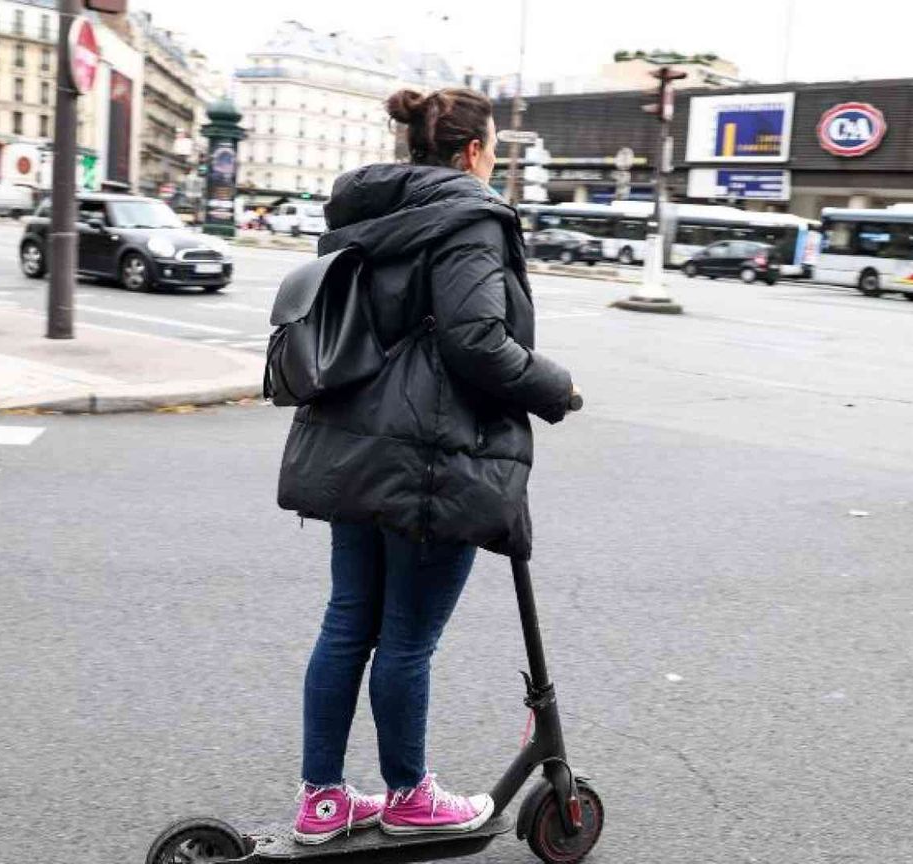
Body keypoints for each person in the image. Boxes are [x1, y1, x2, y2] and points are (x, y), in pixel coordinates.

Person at [277, 87, 578, 845]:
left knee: (348, 622)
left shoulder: (370, 211)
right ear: (474, 152)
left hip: (354, 439)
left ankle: (322, 801)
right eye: (496, 148)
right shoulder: (471, 217)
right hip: (429, 454)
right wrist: (555, 386)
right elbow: (475, 341)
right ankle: (409, 795)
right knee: (407, 637)